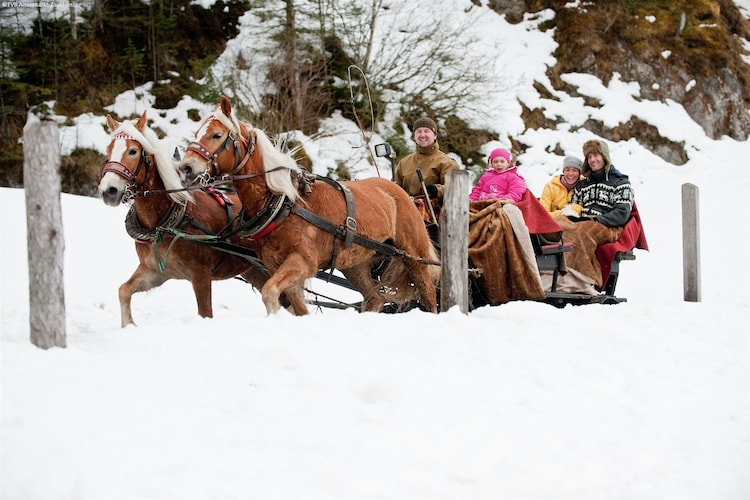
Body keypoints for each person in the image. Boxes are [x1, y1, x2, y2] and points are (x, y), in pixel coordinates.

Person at [568, 139, 633, 227]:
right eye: (589, 157)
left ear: (604, 156)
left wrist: (595, 220)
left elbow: (622, 213)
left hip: (608, 227)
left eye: (595, 155)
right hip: (582, 225)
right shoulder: (582, 185)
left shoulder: (620, 183)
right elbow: (573, 208)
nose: (592, 160)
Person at [394, 117, 458, 201]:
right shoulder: (404, 162)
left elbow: (455, 189)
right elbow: (395, 186)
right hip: (406, 208)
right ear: (414, 136)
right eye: (418, 131)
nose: (422, 135)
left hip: (432, 210)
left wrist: (436, 190)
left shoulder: (447, 163)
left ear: (435, 135)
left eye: (426, 131)